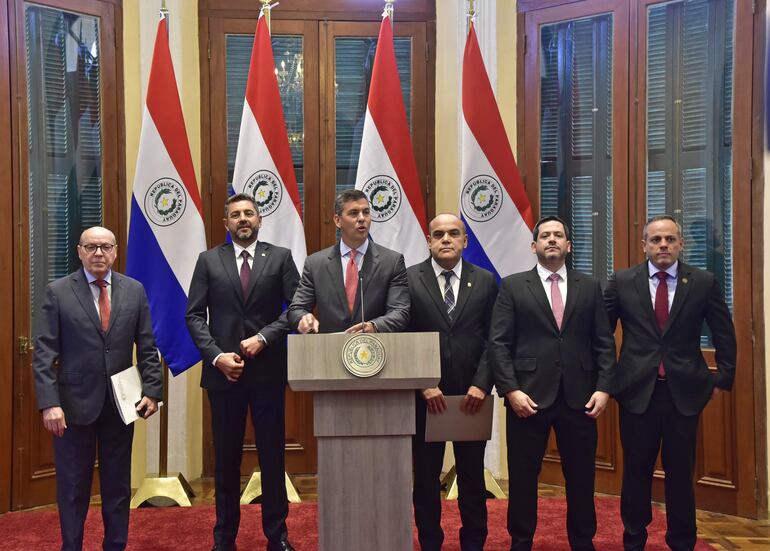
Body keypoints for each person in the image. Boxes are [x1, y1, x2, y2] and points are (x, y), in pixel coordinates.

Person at [604, 215, 736, 551]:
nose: (663, 245)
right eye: (656, 239)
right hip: (636, 393)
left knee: (681, 476)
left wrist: (723, 376)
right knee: (636, 474)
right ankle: (633, 539)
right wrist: (606, 379)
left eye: (670, 239)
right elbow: (601, 334)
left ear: (680, 244)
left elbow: (724, 332)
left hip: (683, 395)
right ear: (644, 245)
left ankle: (682, 541)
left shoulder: (703, 282)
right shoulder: (622, 281)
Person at [489, 216, 616, 551]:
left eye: (558, 235)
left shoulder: (589, 286)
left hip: (581, 398)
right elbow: (498, 344)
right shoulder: (514, 286)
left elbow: (604, 342)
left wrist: (604, 388)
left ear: (568, 245)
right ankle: (521, 540)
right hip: (526, 398)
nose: (552, 240)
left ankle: (582, 541)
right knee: (522, 477)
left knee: (581, 478)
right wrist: (511, 390)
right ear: (534, 246)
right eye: (545, 235)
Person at [32, 226, 162, 551]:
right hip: (73, 407)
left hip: (122, 405)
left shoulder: (134, 291)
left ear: (116, 251)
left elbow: (147, 346)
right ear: (79, 252)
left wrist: (153, 391)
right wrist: (50, 403)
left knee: (117, 487)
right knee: (74, 488)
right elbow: (44, 354)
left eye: (105, 247)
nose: (99, 253)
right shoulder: (58, 292)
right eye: (91, 247)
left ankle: (115, 545)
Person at [186, 194, 299, 551]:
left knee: (272, 457)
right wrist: (217, 356)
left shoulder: (279, 257)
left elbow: (295, 308)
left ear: (260, 219)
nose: (243, 219)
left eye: (249, 213)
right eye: (235, 214)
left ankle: (277, 538)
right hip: (224, 376)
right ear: (226, 224)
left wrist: (264, 338)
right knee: (226, 462)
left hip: (267, 372)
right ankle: (224, 539)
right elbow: (193, 315)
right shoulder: (208, 261)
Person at [407, 213, 498, 551]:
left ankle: (473, 542)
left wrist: (482, 384)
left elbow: (494, 338)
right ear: (428, 241)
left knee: (472, 477)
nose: (446, 239)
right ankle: (430, 542)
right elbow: (404, 335)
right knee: (426, 479)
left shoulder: (486, 280)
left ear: (465, 241)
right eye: (439, 234)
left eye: (453, 233)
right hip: (426, 396)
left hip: (470, 397)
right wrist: (423, 383)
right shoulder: (409, 279)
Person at [287, 188, 409, 334]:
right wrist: (303, 318)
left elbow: (400, 311)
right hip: (330, 350)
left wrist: (374, 326)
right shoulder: (315, 264)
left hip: (376, 348)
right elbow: (296, 309)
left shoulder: (392, 261)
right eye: (354, 213)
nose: (362, 218)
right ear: (338, 221)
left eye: (366, 212)